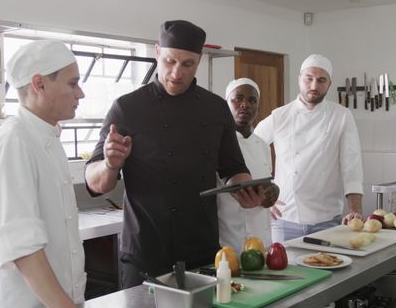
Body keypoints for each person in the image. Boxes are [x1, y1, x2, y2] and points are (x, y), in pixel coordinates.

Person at [84, 20, 270, 288]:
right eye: (170, 61)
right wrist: (111, 164)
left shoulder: (216, 109)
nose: (176, 73)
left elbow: (232, 169)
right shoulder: (127, 108)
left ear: (200, 61)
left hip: (202, 250)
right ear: (157, 52)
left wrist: (247, 191)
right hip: (145, 251)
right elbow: (95, 183)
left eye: (187, 64)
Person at [0, 40, 86, 308]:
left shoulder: (46, 137)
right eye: (72, 84)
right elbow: (24, 250)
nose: (80, 93)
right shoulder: (14, 142)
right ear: (39, 84)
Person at [254, 54, 364, 242]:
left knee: (326, 268)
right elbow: (251, 148)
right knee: (284, 270)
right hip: (284, 218)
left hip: (327, 219)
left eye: (321, 80)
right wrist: (260, 195)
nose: (314, 86)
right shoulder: (280, 115)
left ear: (329, 84)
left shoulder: (342, 116)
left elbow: (351, 165)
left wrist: (355, 209)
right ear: (299, 79)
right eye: (309, 78)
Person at [218, 78, 280, 253]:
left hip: (264, 239)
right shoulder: (216, 144)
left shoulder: (262, 145)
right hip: (232, 242)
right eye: (238, 99)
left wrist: (273, 192)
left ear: (258, 108)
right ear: (226, 105)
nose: (244, 104)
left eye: (252, 100)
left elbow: (264, 185)